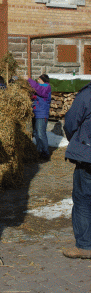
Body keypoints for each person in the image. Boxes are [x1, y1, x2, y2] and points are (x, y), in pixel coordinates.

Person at [62, 83, 91, 259]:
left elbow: (71, 121)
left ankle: (85, 246)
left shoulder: (87, 95)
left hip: (88, 156)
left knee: (83, 200)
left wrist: (78, 142)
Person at [25, 74, 51, 160]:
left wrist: (29, 79)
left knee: (41, 133)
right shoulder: (39, 87)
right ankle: (39, 151)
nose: (38, 81)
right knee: (36, 133)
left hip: (42, 114)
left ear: (42, 80)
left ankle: (45, 152)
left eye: (39, 79)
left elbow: (39, 90)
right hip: (35, 113)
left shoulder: (46, 87)